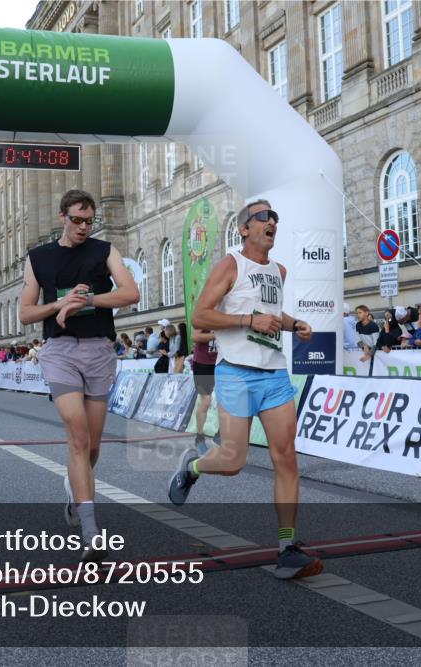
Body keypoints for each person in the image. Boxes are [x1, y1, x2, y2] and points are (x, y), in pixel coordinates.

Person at [168, 199, 322, 580]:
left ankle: (287, 547)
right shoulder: (230, 264)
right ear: (244, 228)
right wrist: (249, 320)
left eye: (275, 216)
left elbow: (271, 312)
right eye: (263, 217)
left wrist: (294, 323)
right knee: (233, 461)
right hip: (236, 373)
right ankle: (193, 467)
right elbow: (200, 315)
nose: (272, 221)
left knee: (286, 459)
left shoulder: (279, 271)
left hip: (274, 376)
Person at [19, 189, 140, 562]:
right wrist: (60, 303)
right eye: (77, 220)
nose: (84, 227)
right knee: (78, 436)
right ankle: (91, 533)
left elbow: (131, 293)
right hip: (60, 352)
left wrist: (88, 301)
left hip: (99, 351)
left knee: (93, 447)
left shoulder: (105, 251)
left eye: (89, 221)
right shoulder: (39, 258)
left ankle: (74, 490)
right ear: (62, 218)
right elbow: (25, 314)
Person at [191, 328, 218, 453]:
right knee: (206, 400)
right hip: (202, 363)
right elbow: (195, 337)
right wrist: (218, 335)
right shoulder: (203, 313)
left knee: (226, 398)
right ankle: (200, 436)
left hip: (221, 362)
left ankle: (221, 434)